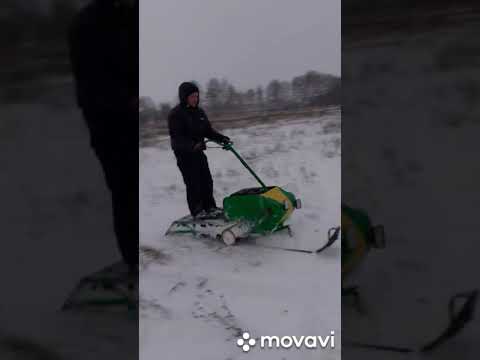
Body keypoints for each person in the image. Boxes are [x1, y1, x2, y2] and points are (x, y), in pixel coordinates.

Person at [68, 0, 138, 273]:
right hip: (109, 126)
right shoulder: (87, 24)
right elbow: (91, 83)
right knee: (125, 192)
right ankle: (134, 262)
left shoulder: (133, 15)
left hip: (132, 122)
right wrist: (126, 101)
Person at [168, 82, 231, 218]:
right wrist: (192, 145)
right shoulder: (176, 114)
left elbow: (208, 130)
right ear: (184, 97)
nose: (195, 99)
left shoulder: (200, 112)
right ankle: (198, 212)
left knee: (207, 181)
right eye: (192, 96)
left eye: (197, 96)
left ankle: (210, 207)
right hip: (184, 156)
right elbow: (177, 139)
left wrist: (222, 139)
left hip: (198, 153)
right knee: (193, 183)